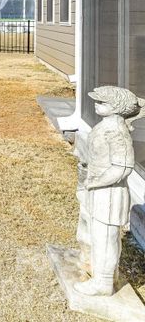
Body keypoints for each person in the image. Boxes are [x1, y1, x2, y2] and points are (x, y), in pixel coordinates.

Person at [74, 86, 142, 296]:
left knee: (105, 238)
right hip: (96, 189)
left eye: (103, 103)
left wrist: (96, 182)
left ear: (117, 108)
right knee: (93, 232)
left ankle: (103, 282)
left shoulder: (117, 132)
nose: (96, 104)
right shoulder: (108, 126)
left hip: (109, 193)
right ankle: (90, 264)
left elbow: (123, 167)